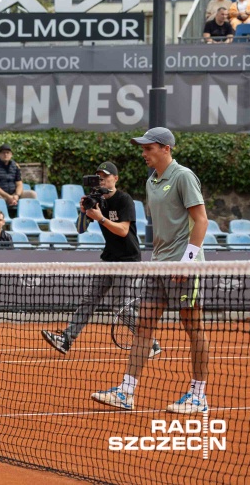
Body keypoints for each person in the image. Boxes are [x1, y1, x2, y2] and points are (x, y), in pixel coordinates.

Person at [92, 128, 210, 414]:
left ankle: (198, 396)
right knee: (144, 327)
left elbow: (202, 220)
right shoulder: (152, 182)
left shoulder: (183, 176)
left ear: (165, 148)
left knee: (193, 328)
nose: (144, 153)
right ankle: (126, 392)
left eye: (149, 148)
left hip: (184, 265)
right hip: (157, 266)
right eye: (143, 148)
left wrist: (187, 261)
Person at [41, 162, 160, 357]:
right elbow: (80, 229)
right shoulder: (94, 200)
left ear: (115, 178)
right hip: (108, 258)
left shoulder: (124, 199)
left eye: (105, 176)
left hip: (128, 260)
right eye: (98, 176)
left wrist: (101, 218)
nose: (101, 179)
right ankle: (66, 340)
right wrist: (83, 212)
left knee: (121, 307)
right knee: (89, 299)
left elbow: (123, 230)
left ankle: (150, 343)